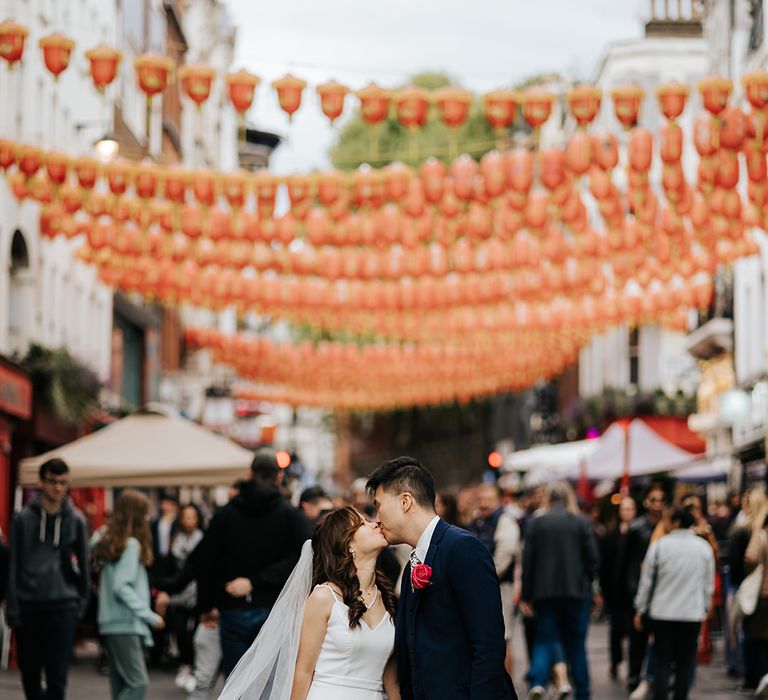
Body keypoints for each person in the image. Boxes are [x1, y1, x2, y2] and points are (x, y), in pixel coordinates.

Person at [367, 456, 517, 700]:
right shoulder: (412, 565)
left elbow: (488, 645)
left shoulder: (462, 548)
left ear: (405, 501)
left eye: (379, 505)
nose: (377, 518)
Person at [217, 506, 399, 700]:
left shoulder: (387, 600)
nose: (374, 524)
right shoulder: (324, 598)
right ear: (347, 544)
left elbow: (392, 681)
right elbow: (303, 671)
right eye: (362, 524)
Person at [196, 447, 312, 677]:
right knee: (270, 682)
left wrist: (206, 605)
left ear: (250, 473)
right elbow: (304, 556)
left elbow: (206, 560)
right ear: (278, 476)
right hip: (275, 607)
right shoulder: (290, 516)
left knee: (237, 681)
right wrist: (259, 581)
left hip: (233, 606)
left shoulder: (225, 514)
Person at [7, 458, 90, 700]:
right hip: (29, 605)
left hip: (64, 606)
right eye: (53, 482)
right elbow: (14, 564)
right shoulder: (23, 519)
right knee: (30, 675)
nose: (58, 488)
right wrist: (13, 607)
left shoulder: (76, 520)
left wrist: (80, 605)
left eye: (63, 482)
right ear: (41, 482)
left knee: (57, 676)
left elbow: (84, 566)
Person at [521, 481, 598, 700]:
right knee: (576, 645)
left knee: (544, 639)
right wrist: (587, 585)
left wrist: (527, 595)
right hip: (576, 592)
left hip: (544, 593)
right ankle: (582, 692)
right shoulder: (581, 522)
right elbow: (593, 559)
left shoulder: (536, 524)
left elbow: (529, 563)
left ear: (548, 497)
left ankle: (537, 681)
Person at [633, 507, 715, 700]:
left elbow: (646, 582)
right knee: (685, 662)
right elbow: (707, 583)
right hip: (691, 613)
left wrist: (640, 608)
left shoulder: (660, 546)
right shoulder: (703, 548)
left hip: (663, 613)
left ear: (676, 522)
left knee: (662, 661)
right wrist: (705, 606)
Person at [96, 489, 165, 700]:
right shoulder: (131, 545)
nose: (147, 518)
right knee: (137, 684)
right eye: (144, 513)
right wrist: (150, 616)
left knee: (121, 684)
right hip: (124, 622)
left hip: (111, 621)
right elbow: (121, 586)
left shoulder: (111, 542)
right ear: (135, 515)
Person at [469, 483, 520, 675]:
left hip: (499, 587)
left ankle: (507, 687)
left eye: (489, 499)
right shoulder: (479, 522)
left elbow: (504, 556)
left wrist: (484, 577)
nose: (484, 503)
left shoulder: (505, 521)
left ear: (498, 500)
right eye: (481, 499)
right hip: (483, 587)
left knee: (503, 637)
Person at [622, 482, 667, 694]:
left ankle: (655, 677)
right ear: (647, 502)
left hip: (663, 591)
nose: (657, 505)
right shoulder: (636, 528)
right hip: (638, 589)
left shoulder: (669, 528)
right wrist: (630, 590)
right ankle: (634, 675)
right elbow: (626, 562)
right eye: (654, 500)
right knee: (638, 638)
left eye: (661, 500)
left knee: (660, 639)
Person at [168, 504, 205, 691]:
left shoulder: (203, 540)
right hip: (177, 595)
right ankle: (185, 665)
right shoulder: (174, 540)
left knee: (196, 634)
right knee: (180, 631)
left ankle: (195, 668)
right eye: (186, 517)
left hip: (198, 594)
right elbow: (170, 568)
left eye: (192, 517)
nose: (189, 521)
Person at [599, 495, 637, 680]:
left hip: (633, 591)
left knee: (633, 629)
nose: (627, 512)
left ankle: (633, 668)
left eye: (630, 508)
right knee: (616, 629)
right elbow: (604, 564)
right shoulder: (611, 534)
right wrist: (603, 590)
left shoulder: (638, 532)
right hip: (614, 590)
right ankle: (615, 661)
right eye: (624, 508)